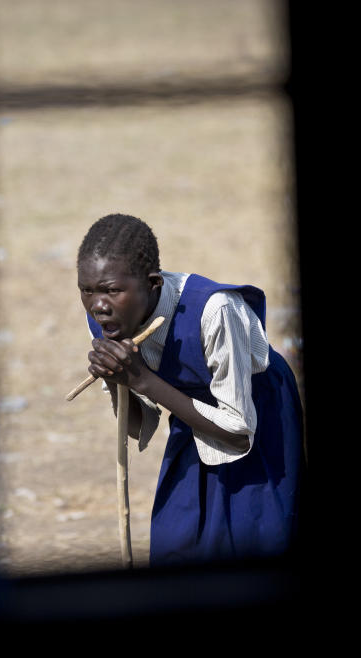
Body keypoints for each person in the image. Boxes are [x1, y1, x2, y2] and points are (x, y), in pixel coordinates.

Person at [77, 213, 304, 566]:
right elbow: (138, 426)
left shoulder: (214, 311)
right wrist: (114, 377)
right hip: (191, 415)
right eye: (86, 290)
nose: (98, 305)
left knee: (254, 537)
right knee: (176, 541)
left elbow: (239, 431)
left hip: (257, 413)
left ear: (153, 284)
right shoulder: (106, 319)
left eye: (112, 290)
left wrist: (141, 379)